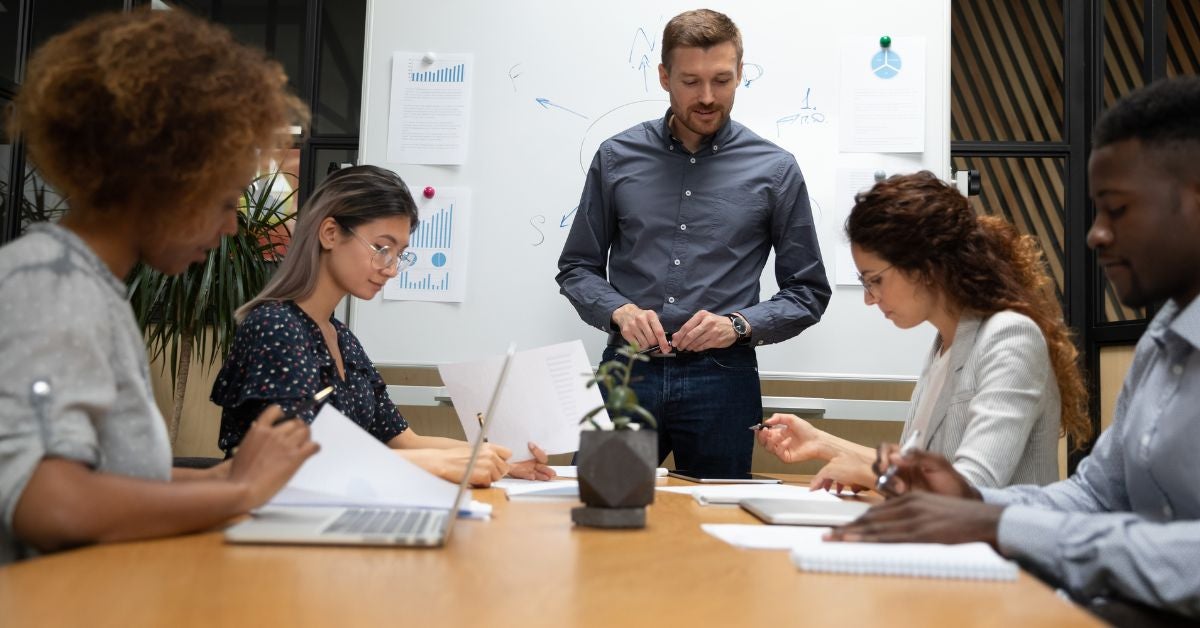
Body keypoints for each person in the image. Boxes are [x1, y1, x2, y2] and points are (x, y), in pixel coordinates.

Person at [828, 76, 1200, 621]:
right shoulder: (1164, 339)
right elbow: (1093, 496)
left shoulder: (1006, 334)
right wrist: (972, 504)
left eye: (1116, 209)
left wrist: (996, 522)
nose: (1095, 234)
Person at [0, 10, 318, 565]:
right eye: (224, 202)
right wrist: (236, 494)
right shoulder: (51, 283)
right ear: (164, 180)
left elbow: (112, 475)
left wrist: (223, 476)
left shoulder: (90, 284)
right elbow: (49, 503)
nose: (229, 229)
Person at [556, 9, 830, 476]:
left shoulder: (776, 170)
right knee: (604, 511)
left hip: (723, 380)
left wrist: (739, 325)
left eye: (722, 80)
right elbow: (577, 267)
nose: (707, 97)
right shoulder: (616, 157)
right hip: (628, 370)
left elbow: (808, 292)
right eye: (690, 81)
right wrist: (618, 311)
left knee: (719, 522)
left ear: (741, 73)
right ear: (664, 77)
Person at [211, 165, 555, 486]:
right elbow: (298, 462)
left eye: (399, 254)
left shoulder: (342, 338)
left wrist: (503, 462)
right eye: (382, 248)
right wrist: (442, 466)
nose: (390, 268)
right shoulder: (275, 327)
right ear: (330, 233)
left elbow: (406, 442)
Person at [756, 172, 1090, 492]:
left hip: (999, 547)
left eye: (875, 280)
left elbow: (973, 486)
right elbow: (916, 468)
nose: (869, 298)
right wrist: (821, 442)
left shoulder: (1011, 337)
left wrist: (876, 476)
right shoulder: (945, 344)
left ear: (926, 267)